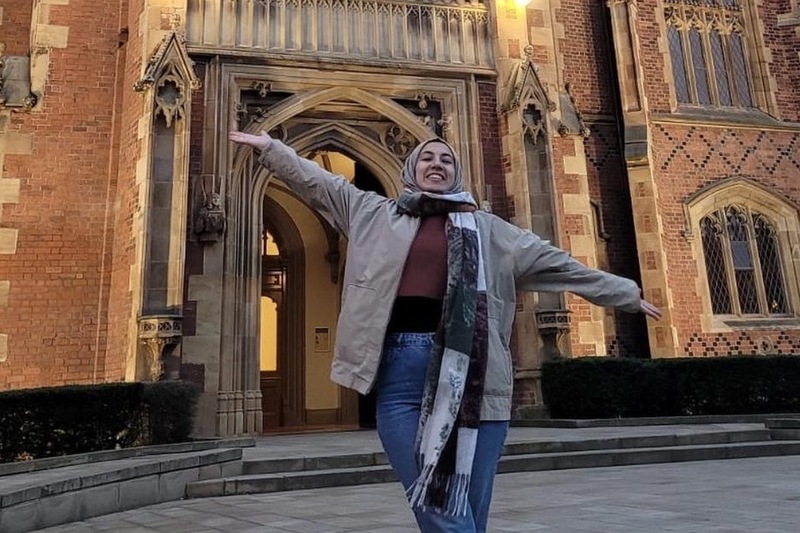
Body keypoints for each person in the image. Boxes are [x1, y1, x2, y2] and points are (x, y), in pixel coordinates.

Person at [228, 129, 662, 532]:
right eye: (427, 158)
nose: (437, 164)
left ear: (456, 174)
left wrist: (622, 293)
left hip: (475, 380)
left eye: (446, 160)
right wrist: (271, 149)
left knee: (470, 505)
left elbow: (560, 264)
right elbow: (321, 184)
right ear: (411, 169)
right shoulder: (373, 214)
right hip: (401, 378)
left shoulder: (491, 231)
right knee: (435, 501)